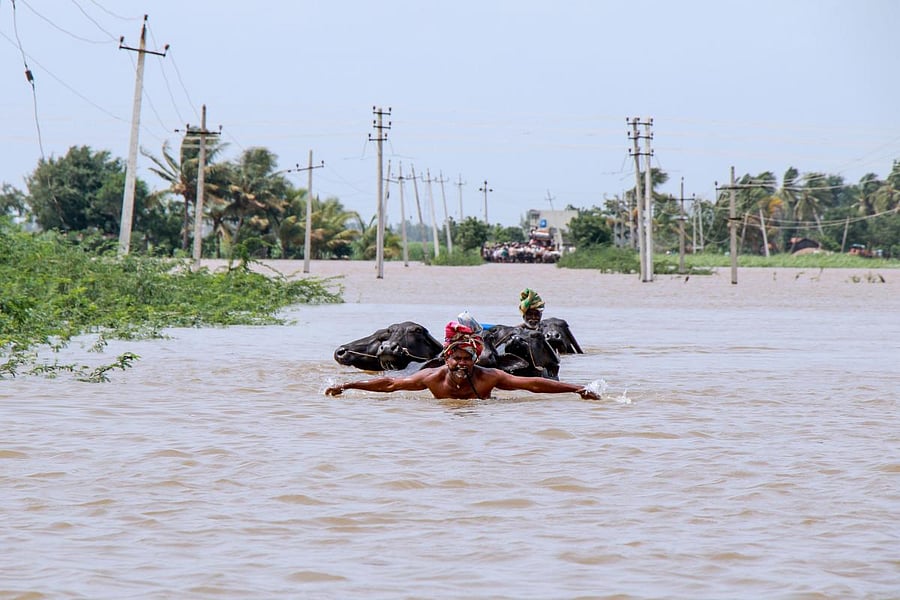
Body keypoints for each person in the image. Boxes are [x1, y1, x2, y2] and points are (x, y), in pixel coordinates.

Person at [325, 321, 600, 401]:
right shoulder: (431, 378)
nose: (460, 364)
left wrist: (577, 389)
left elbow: (533, 385)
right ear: (447, 358)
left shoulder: (488, 377)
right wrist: (349, 386)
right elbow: (389, 385)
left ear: (474, 359)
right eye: (456, 359)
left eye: (466, 359)